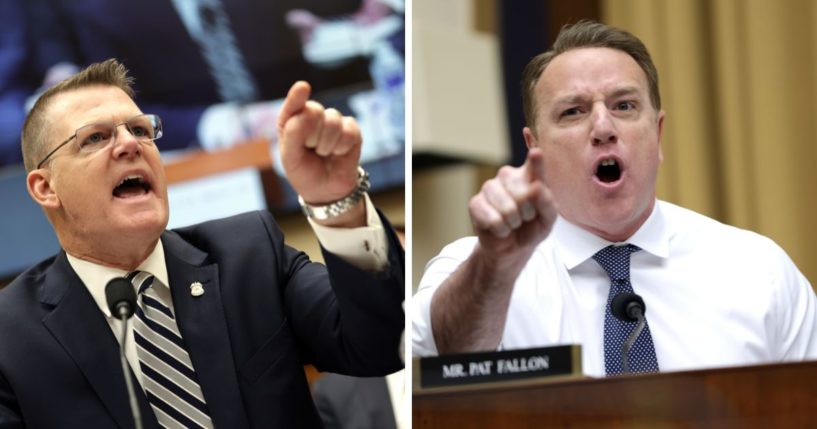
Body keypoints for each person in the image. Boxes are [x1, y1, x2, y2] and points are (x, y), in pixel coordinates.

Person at [0, 59, 404, 428]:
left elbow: (381, 344)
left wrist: (336, 200)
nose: (130, 144)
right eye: (95, 138)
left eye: (140, 129)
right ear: (45, 187)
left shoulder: (250, 254)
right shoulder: (10, 337)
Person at [412, 20, 817, 377]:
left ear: (657, 134)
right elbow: (439, 363)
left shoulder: (760, 272)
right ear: (535, 147)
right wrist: (494, 266)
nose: (603, 127)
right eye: (573, 111)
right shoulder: (475, 268)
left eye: (624, 105)